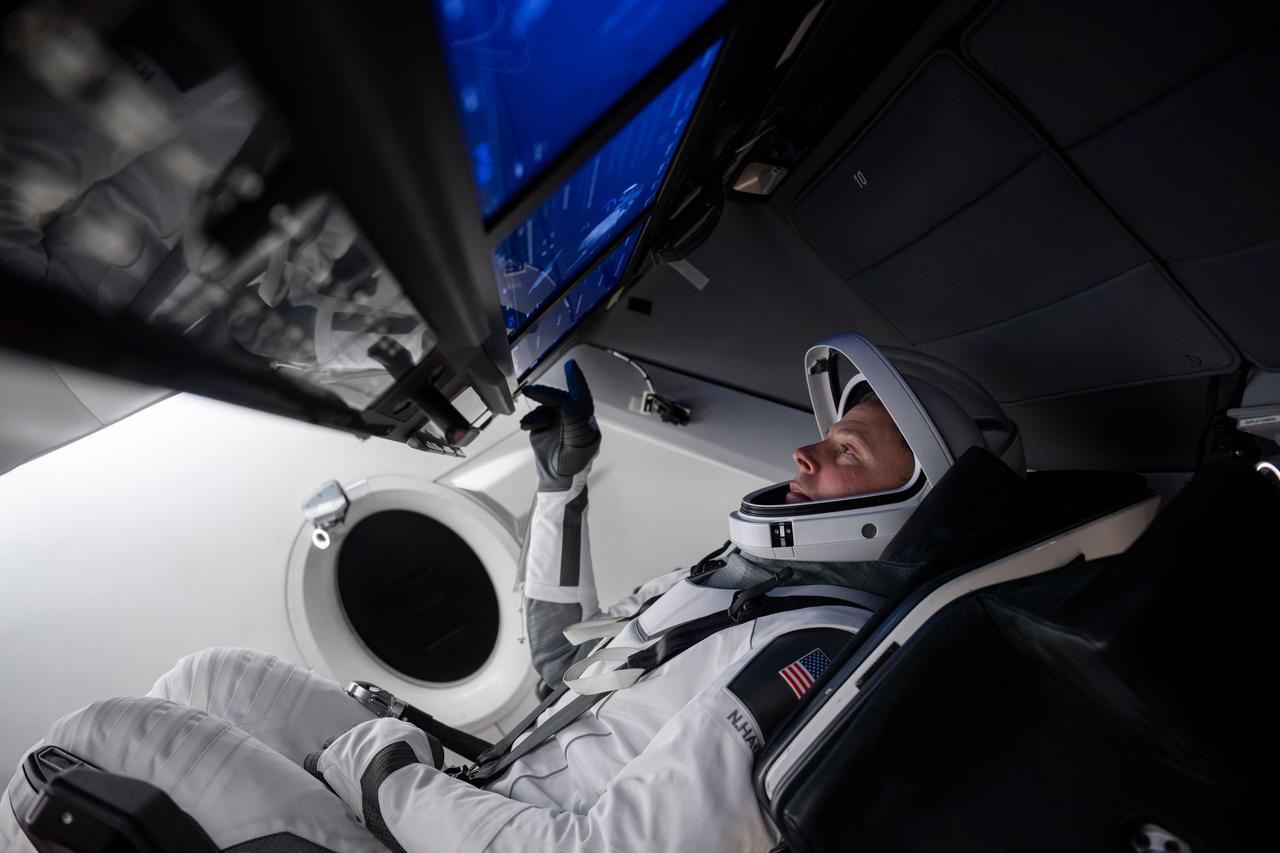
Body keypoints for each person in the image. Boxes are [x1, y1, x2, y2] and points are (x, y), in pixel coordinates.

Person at [1, 334, 1022, 852]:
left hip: (461, 832)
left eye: (842, 449)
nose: (804, 450)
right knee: (205, 675)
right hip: (476, 804)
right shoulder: (751, 585)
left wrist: (390, 773)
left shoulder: (818, 652)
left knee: (96, 741)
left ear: (908, 496)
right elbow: (570, 663)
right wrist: (558, 487)